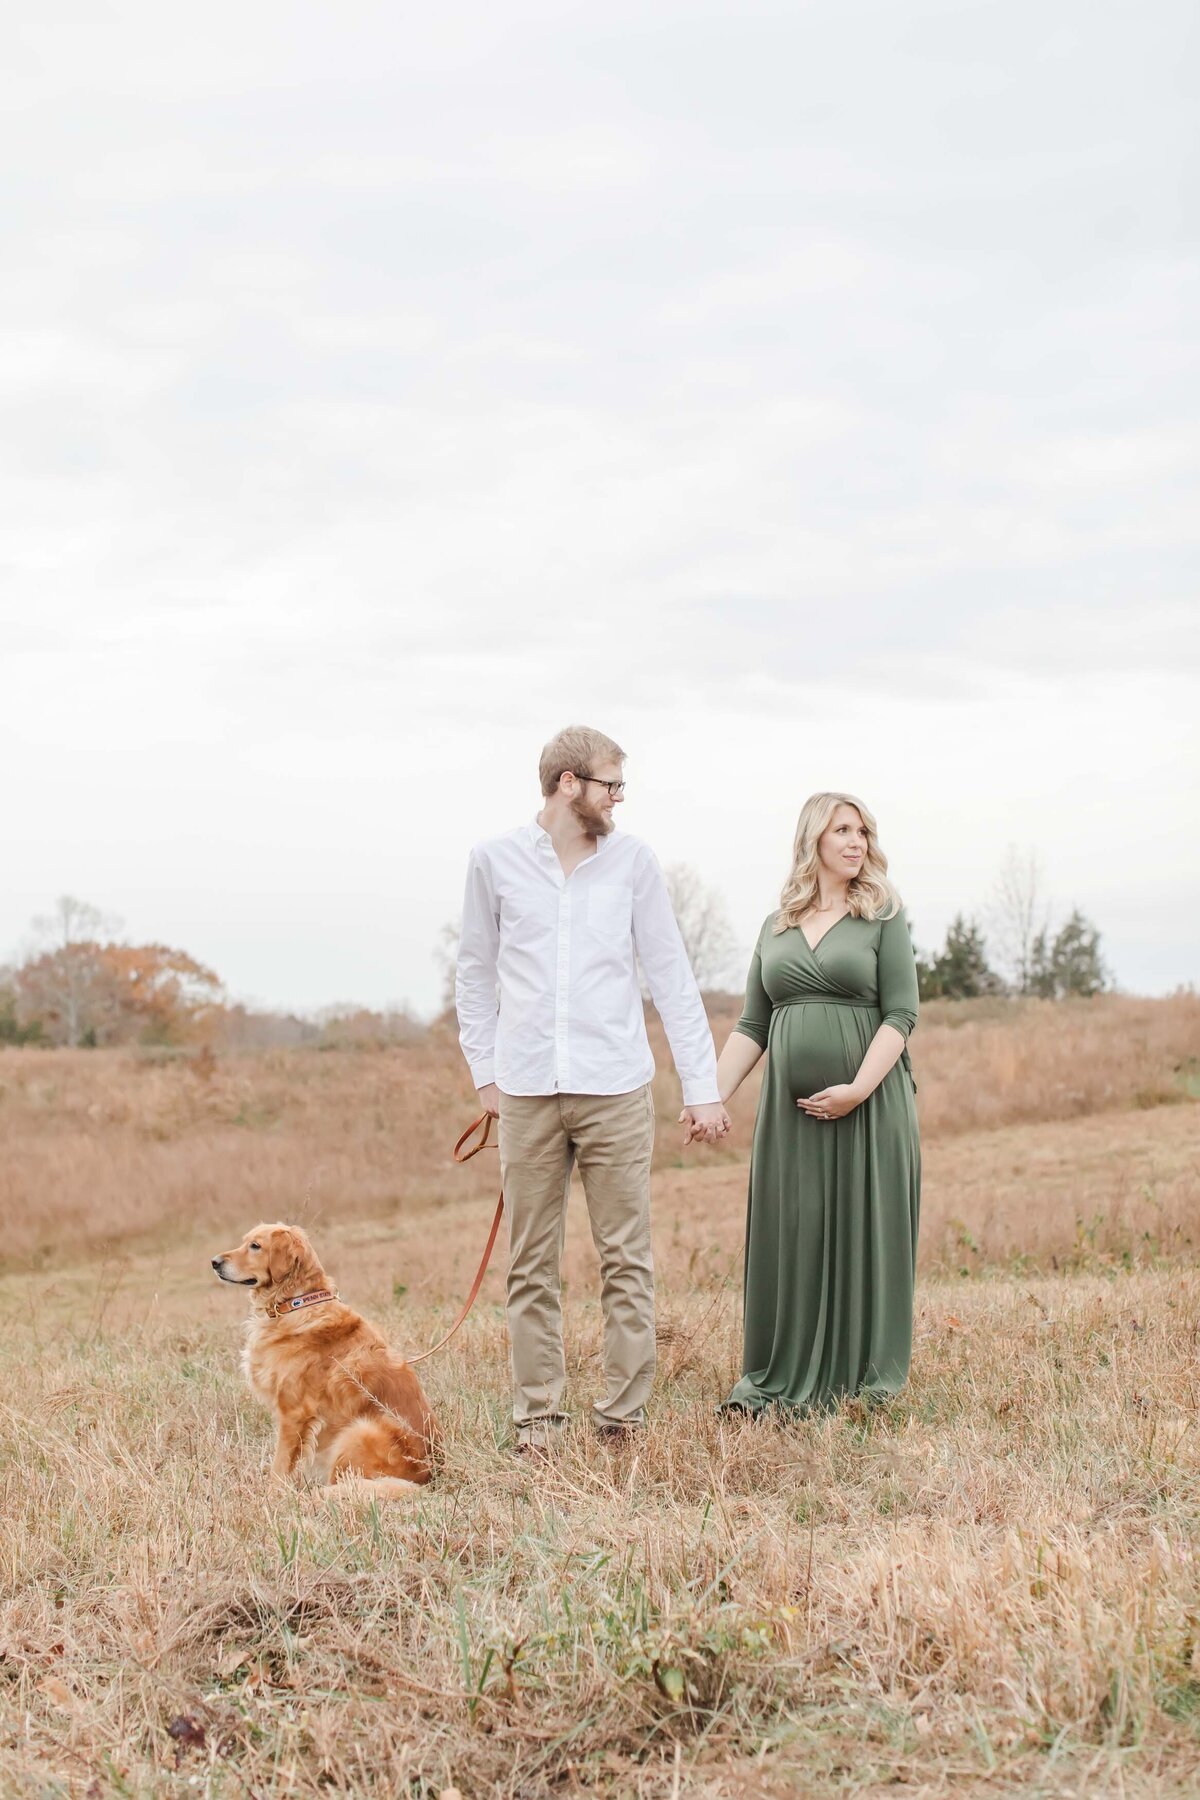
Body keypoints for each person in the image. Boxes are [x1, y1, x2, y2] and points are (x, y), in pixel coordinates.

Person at [455, 725, 730, 1453]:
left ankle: (621, 1419)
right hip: (527, 1091)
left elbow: (670, 975)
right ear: (569, 784)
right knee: (531, 1263)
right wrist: (485, 1074)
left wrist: (702, 1087)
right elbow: (475, 975)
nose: (618, 798)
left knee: (625, 1258)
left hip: (615, 1089)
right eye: (611, 784)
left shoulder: (634, 864)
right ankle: (538, 1420)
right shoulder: (494, 862)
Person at [712, 792, 921, 1414]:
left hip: (871, 1105)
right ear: (813, 841)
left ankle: (863, 1377)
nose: (856, 842)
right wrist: (708, 1096)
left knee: (863, 1229)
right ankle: (783, 1371)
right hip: (790, 1117)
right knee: (794, 1229)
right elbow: (753, 1025)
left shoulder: (883, 915)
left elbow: (902, 1012)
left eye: (863, 831)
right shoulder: (775, 926)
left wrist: (858, 1089)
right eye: (842, 831)